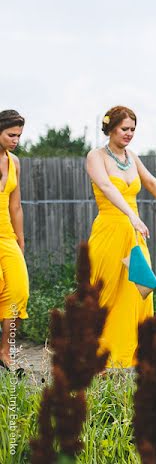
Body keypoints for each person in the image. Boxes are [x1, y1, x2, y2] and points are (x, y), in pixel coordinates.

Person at [85, 105, 156, 368]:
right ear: (110, 128)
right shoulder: (95, 156)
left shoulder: (132, 157)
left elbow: (153, 183)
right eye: (124, 129)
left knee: (140, 289)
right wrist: (131, 216)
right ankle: (100, 356)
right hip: (110, 230)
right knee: (107, 293)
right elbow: (108, 186)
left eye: (133, 129)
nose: (129, 134)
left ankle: (131, 355)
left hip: (134, 235)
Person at [0, 110, 28, 373]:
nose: (16, 140)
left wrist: (20, 241)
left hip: (6, 235)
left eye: (19, 135)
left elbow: (15, 206)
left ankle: (5, 352)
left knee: (19, 291)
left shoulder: (14, 162)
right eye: (11, 135)